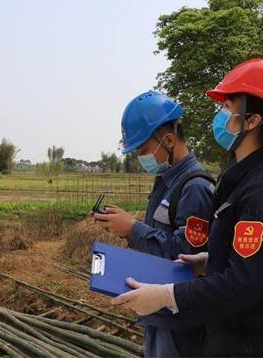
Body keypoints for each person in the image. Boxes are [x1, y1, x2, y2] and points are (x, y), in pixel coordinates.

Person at [112, 60, 263, 357]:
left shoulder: (261, 192)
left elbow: (243, 285)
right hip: (235, 340)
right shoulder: (243, 182)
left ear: (253, 120)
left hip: (255, 346)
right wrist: (211, 260)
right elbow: (256, 265)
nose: (220, 117)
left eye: (227, 107)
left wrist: (167, 295)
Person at [94, 90, 214, 357]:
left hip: (181, 324)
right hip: (158, 312)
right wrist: (129, 226)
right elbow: (164, 236)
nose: (141, 157)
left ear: (168, 140)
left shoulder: (195, 188)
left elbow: (187, 258)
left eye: (144, 150)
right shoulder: (166, 183)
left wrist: (133, 229)